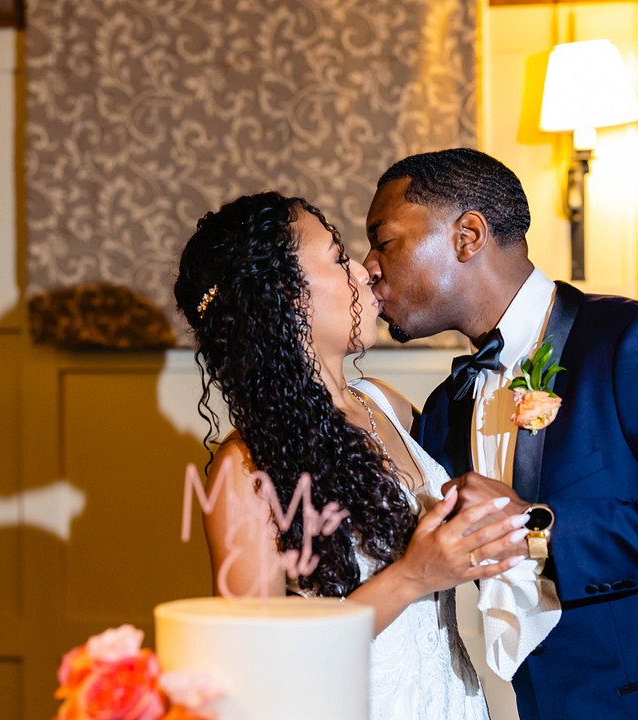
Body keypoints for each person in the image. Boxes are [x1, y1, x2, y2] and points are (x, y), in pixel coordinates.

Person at [362, 148, 638, 719]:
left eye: (384, 240)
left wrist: (533, 528)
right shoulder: (447, 410)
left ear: (468, 235)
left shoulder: (635, 342)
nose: (368, 265)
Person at [173, 191, 530, 720]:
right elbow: (258, 664)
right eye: (339, 258)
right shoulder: (245, 470)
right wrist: (411, 575)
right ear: (287, 295)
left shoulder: (389, 404)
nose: (365, 272)